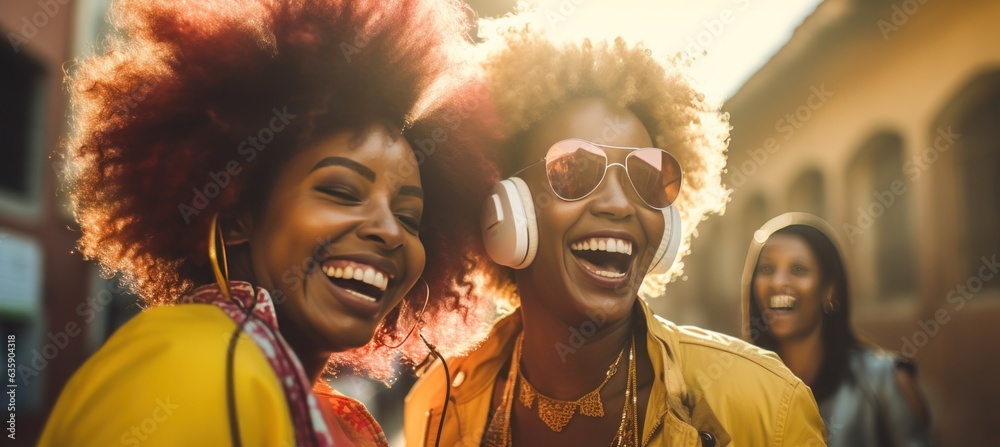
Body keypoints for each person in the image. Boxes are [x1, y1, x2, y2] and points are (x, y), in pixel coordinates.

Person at [40, 0, 501, 445]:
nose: (390, 230)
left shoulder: (299, 397)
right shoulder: (196, 365)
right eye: (341, 192)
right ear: (236, 214)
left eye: (410, 217)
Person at [404, 23, 827, 447]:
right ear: (506, 206)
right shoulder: (438, 407)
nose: (620, 205)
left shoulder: (770, 406)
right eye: (575, 169)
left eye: (646, 177)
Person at [741, 212, 936, 446]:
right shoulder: (740, 384)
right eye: (767, 269)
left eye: (798, 269)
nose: (777, 282)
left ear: (829, 290)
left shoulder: (885, 380)